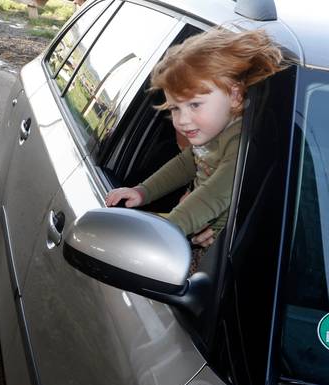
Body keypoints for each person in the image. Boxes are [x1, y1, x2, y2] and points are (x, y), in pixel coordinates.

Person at [105, 28, 285, 248]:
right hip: (193, 225)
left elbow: (213, 195)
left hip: (216, 246)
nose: (182, 120)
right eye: (174, 108)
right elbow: (187, 163)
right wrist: (142, 191)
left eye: (194, 105)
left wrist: (168, 229)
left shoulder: (241, 146)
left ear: (235, 96)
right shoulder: (215, 130)